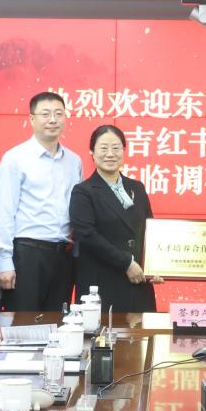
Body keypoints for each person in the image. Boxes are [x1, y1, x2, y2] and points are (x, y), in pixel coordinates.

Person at [0, 92, 83, 312]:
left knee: (58, 324)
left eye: (58, 114)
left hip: (63, 256)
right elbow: (4, 212)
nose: (53, 119)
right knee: (23, 324)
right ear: (32, 119)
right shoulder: (15, 158)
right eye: (45, 114)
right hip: (27, 255)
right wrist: (4, 263)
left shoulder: (74, 161)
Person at [70, 124, 158, 312]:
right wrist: (126, 262)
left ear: (124, 151)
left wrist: (155, 267)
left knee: (141, 330)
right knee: (105, 330)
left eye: (116, 148)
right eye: (103, 148)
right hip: (102, 283)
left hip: (138, 280)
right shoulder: (83, 191)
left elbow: (150, 231)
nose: (110, 154)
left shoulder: (137, 188)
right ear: (92, 152)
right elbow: (87, 236)